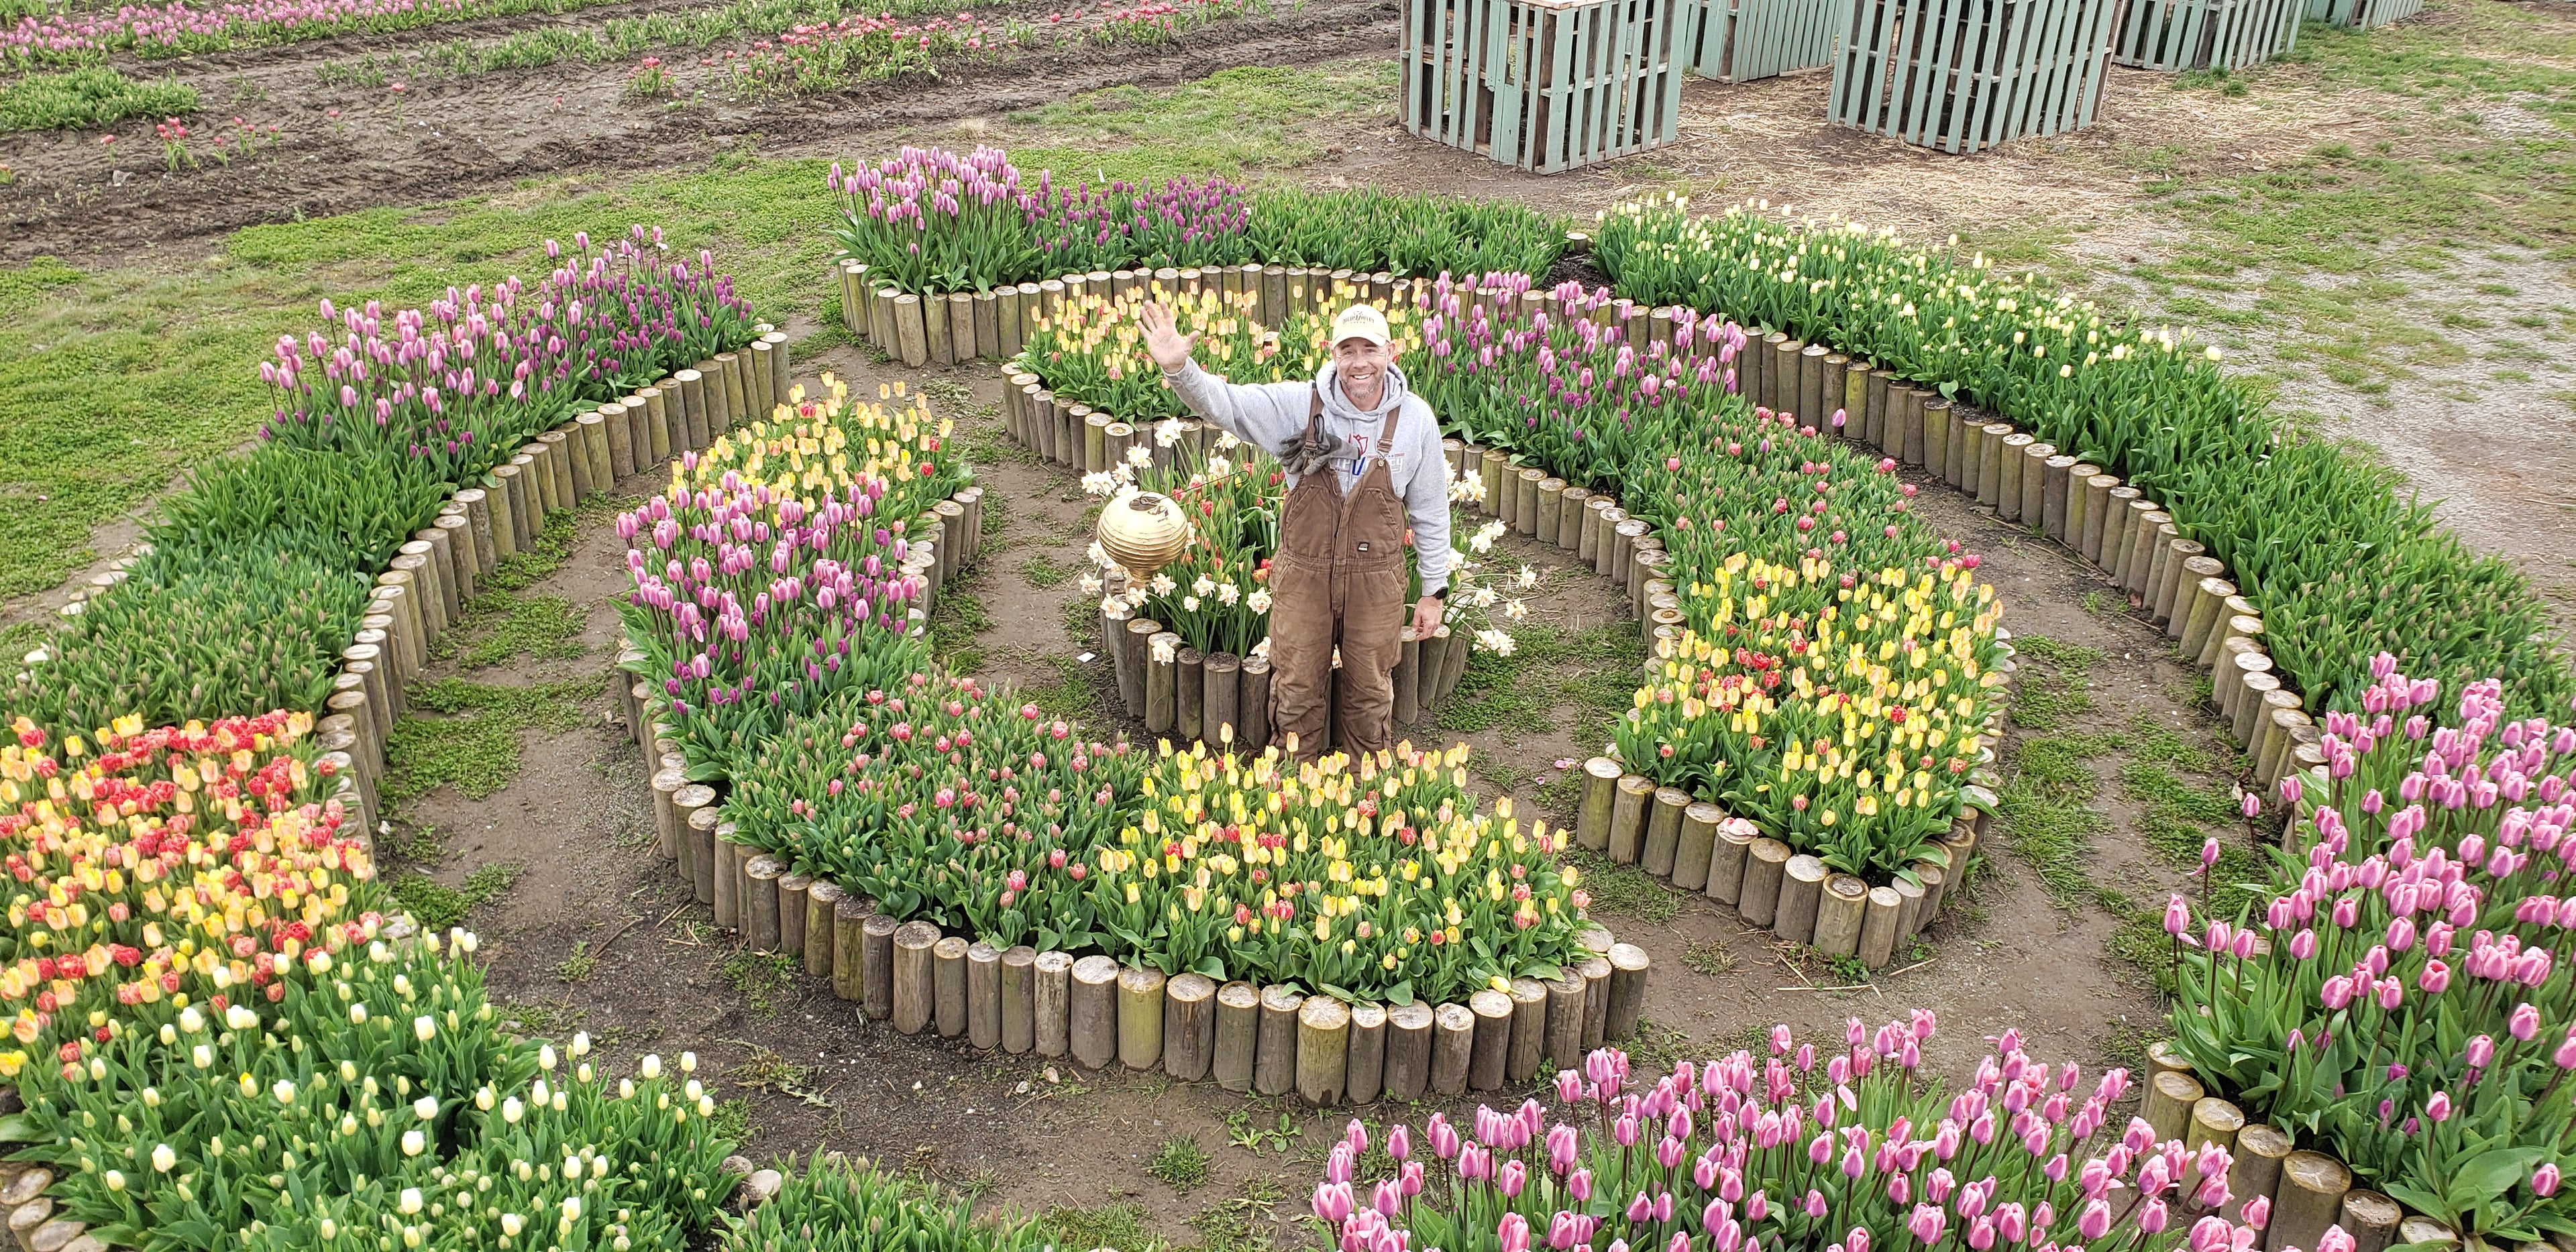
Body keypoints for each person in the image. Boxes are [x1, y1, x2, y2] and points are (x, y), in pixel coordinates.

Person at [1136, 300, 1450, 760]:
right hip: (1304, 575)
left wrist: (1434, 590)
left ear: (1392, 351)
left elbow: (1430, 508)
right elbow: (1230, 406)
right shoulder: (1297, 405)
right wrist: (1181, 369)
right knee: (1296, 690)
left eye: (1370, 349)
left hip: (1377, 583)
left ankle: (1369, 803)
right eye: (1348, 350)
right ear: (1332, 352)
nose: (1359, 362)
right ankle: (1293, 797)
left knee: (1370, 694)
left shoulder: (1416, 420)